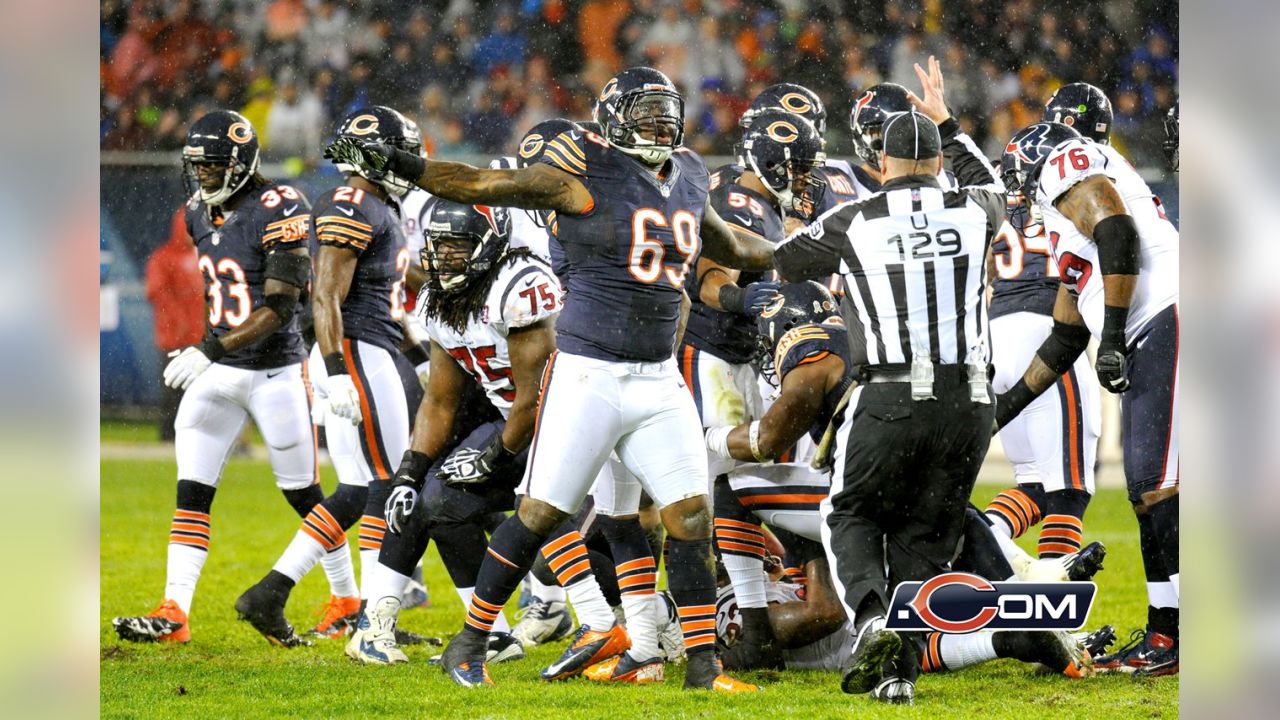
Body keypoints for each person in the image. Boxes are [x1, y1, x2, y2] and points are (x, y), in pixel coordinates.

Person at [326, 66, 774, 690]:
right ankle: (470, 641)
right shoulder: (585, 172)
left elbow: (729, 244)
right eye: (644, 113)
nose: (659, 124)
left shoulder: (691, 174)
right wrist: (400, 163)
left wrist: (799, 250)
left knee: (691, 517)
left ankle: (702, 667)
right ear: (615, 119)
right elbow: (480, 181)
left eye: (665, 111)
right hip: (589, 373)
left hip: (657, 377)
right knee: (538, 512)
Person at [773, 57, 1005, 705]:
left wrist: (792, 210)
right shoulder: (975, 209)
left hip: (894, 392)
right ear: (935, 162)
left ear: (880, 162)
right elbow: (993, 189)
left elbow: (784, 259)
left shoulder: (860, 217)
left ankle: (873, 618)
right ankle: (896, 672)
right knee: (924, 537)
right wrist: (949, 125)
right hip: (970, 403)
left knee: (849, 511)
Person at [111, 110, 327, 644]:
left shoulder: (281, 206)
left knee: (304, 497)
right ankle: (174, 613)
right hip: (221, 371)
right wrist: (213, 352)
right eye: (197, 166)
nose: (203, 175)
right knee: (192, 492)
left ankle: (346, 597)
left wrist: (209, 348)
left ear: (241, 163)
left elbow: (279, 306)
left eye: (212, 166)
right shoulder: (195, 214)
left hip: (275, 371)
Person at [998, 113, 1180, 677]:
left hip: (1165, 319)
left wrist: (1117, 334)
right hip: (1153, 326)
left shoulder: (1064, 163)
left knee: (1160, 486)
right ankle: (1165, 634)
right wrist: (999, 412)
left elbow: (1117, 232)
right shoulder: (1065, 227)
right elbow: (1065, 335)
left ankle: (1180, 636)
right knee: (1148, 490)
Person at [235, 106, 417, 646]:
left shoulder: (374, 205)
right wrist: (338, 372)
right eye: (399, 150)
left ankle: (271, 592)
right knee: (392, 484)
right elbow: (326, 294)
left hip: (362, 349)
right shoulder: (353, 202)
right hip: (355, 354)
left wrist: (422, 358)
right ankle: (376, 623)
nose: (408, 162)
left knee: (360, 489)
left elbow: (383, 296)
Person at [983, 208, 1102, 561]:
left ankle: (983, 535)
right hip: (1048, 338)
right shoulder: (1072, 195)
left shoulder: (997, 198)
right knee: (1070, 489)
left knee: (1035, 486)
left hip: (995, 336)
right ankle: (1053, 599)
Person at [144, 207, 207, 441]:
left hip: (200, 336)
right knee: (173, 387)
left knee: (199, 390)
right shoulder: (164, 257)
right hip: (175, 338)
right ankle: (169, 435)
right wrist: (177, 321)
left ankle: (193, 435)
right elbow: (156, 291)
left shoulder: (205, 255)